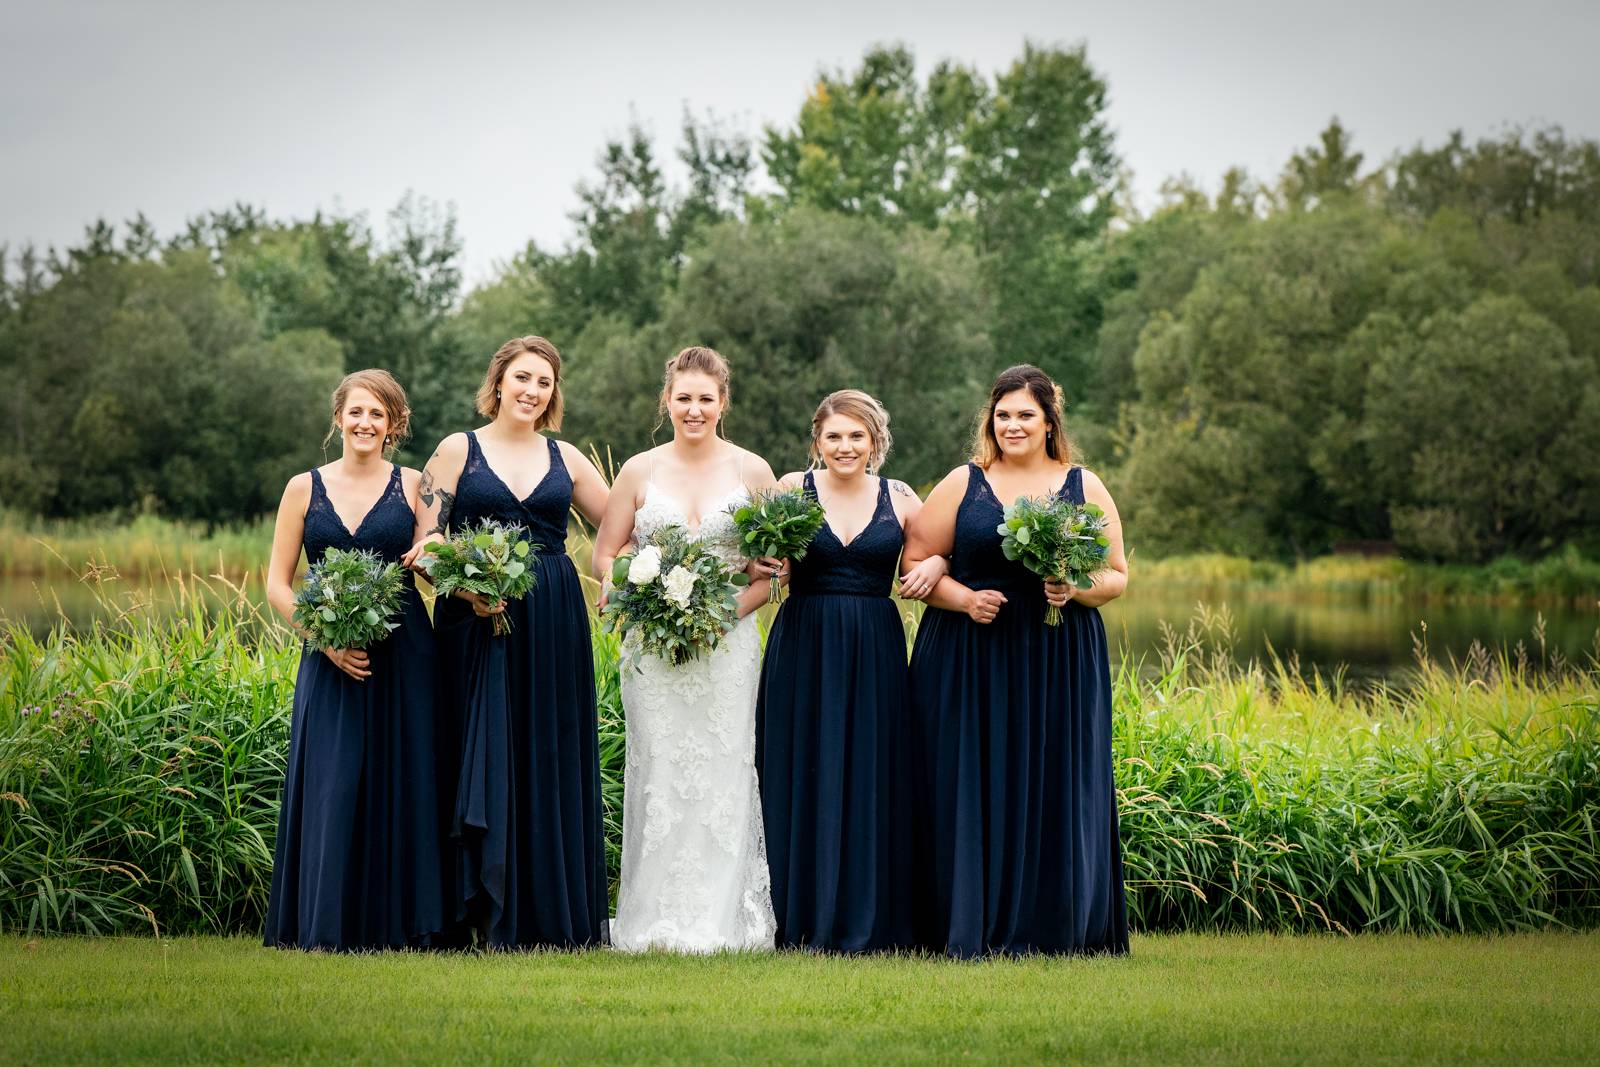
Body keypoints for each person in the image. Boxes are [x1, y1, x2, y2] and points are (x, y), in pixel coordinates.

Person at [902, 364, 1130, 958]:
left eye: (1026, 414)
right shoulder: (963, 482)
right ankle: (964, 922)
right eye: (1003, 415)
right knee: (968, 784)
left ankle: (1052, 925)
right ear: (990, 420)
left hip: (1058, 658)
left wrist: (1073, 586)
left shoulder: (1085, 485)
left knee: (1055, 783)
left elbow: (1117, 575)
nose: (1013, 425)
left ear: (1050, 421)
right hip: (968, 657)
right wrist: (961, 596)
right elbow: (916, 562)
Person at [403, 336, 611, 949]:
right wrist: (467, 591)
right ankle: (471, 908)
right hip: (473, 619)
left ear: (553, 393)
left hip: (551, 615)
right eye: (522, 377)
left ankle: (546, 911)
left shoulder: (568, 458)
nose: (532, 390)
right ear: (498, 383)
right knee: (474, 747)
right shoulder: (455, 451)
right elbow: (428, 541)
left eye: (544, 382)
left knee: (545, 747)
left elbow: (623, 527)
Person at [592, 345, 780, 953]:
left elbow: (779, 570)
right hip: (655, 651)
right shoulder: (639, 471)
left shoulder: (753, 472)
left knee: (725, 770)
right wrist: (633, 589)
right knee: (661, 774)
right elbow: (607, 553)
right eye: (683, 398)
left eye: (706, 398)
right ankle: (653, 918)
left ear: (723, 402)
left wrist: (725, 612)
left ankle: (726, 919)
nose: (693, 409)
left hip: (728, 648)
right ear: (666, 402)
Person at [756, 389, 947, 952]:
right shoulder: (792, 490)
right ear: (817, 441)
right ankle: (800, 912)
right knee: (801, 766)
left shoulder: (903, 497)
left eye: (856, 436)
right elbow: (757, 557)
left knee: (873, 769)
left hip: (875, 649)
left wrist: (936, 563)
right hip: (804, 644)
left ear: (875, 442)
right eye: (833, 436)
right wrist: (767, 563)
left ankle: (872, 915)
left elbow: (950, 549)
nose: (845, 446)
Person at [264, 369, 447, 951]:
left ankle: (406, 926)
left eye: (379, 415)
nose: (366, 423)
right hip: (328, 651)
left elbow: (432, 557)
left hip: (406, 651)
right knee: (333, 780)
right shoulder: (302, 488)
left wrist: (440, 554)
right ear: (338, 417)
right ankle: (326, 924)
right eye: (357, 412)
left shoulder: (418, 484)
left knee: (406, 777)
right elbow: (276, 583)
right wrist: (324, 639)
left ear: (394, 426)